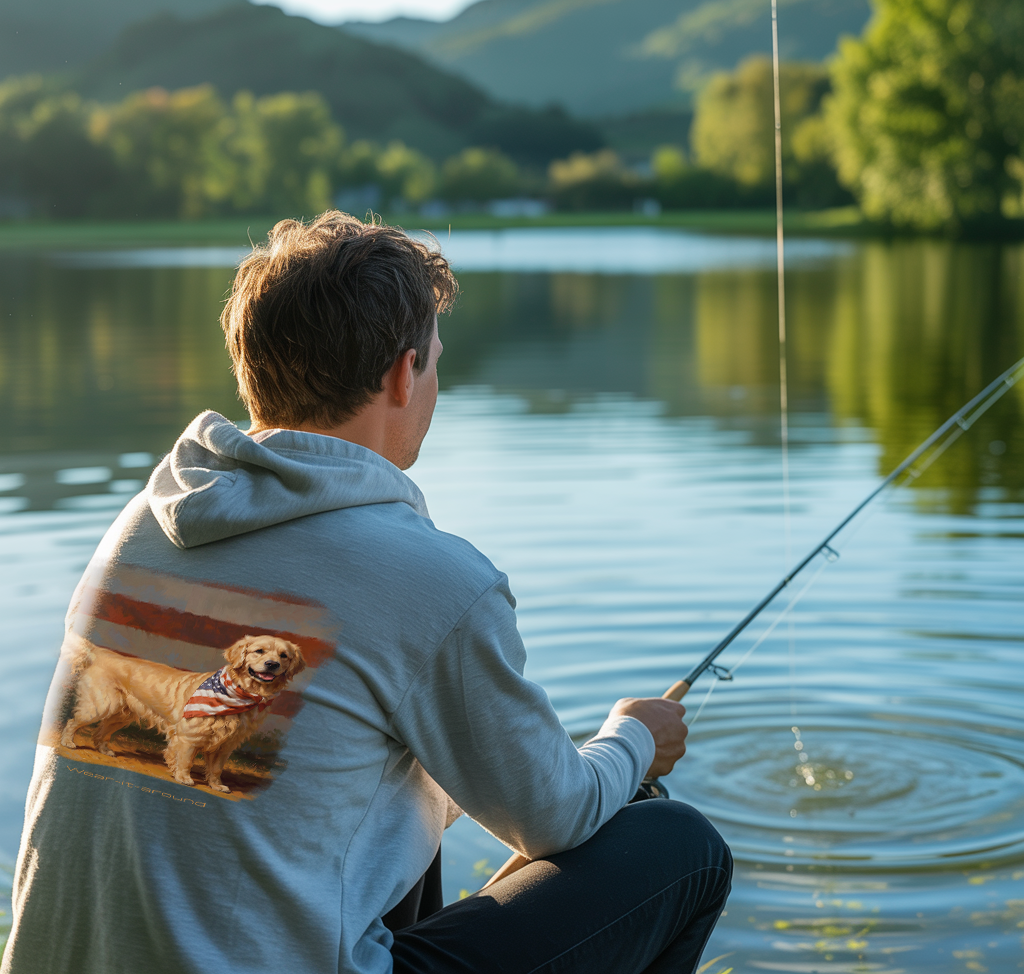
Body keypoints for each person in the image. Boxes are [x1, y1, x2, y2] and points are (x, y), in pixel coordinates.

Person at [3, 212, 731, 974]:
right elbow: (558, 819)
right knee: (673, 844)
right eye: (436, 364)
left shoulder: (142, 528)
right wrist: (633, 737)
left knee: (399, 796)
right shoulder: (431, 578)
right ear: (401, 373)